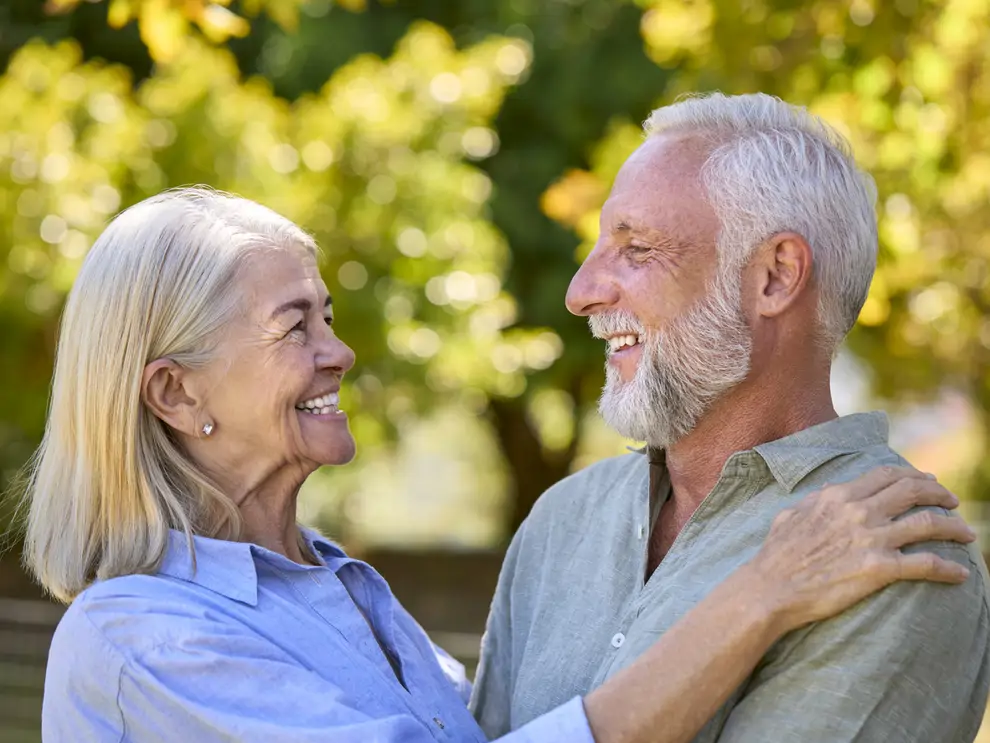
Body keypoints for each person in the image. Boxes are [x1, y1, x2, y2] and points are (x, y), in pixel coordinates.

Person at [26, 188, 975, 743]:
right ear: (176, 395)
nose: (339, 352)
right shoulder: (139, 640)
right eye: (294, 326)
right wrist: (762, 592)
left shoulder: (346, 590)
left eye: (327, 314)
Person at [470, 92, 990, 742]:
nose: (581, 293)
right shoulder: (562, 521)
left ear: (774, 276)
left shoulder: (897, 547)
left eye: (636, 249)